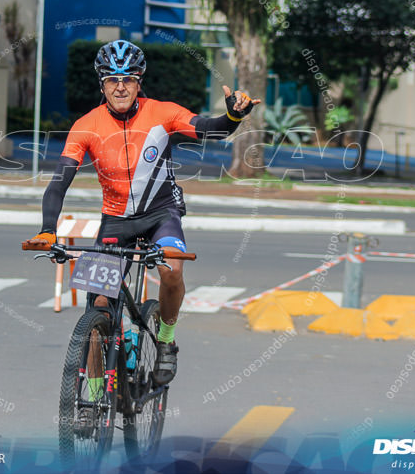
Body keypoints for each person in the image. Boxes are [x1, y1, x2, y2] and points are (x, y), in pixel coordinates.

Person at [27, 39, 259, 388]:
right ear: (101, 83)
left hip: (160, 213)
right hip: (115, 220)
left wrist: (233, 116)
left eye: (128, 78)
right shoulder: (86, 125)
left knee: (172, 268)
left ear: (139, 82)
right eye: (111, 79)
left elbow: (212, 128)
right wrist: (48, 229)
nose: (120, 86)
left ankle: (165, 339)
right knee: (99, 306)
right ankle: (92, 395)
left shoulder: (162, 113)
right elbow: (59, 183)